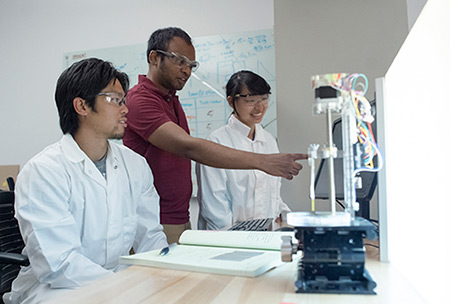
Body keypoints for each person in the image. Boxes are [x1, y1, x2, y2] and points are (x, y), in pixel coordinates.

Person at [3, 58, 167, 304]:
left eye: (124, 100)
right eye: (115, 100)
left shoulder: (135, 165)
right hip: (57, 288)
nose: (125, 109)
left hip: (117, 278)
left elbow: (150, 238)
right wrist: (126, 288)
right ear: (82, 106)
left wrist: (164, 276)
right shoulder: (44, 171)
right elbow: (58, 265)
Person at [123, 27, 307, 243]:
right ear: (154, 57)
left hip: (179, 217)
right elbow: (189, 148)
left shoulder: (171, 99)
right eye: (180, 61)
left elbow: (274, 199)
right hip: (154, 219)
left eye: (191, 65)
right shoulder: (140, 100)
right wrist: (263, 162)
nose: (187, 71)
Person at [196, 71, 291, 230]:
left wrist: (288, 220)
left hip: (265, 238)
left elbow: (273, 196)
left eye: (264, 98)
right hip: (227, 241)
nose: (260, 107)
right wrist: (241, 237)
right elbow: (214, 208)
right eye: (251, 100)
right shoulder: (216, 142)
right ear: (231, 102)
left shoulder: (269, 141)